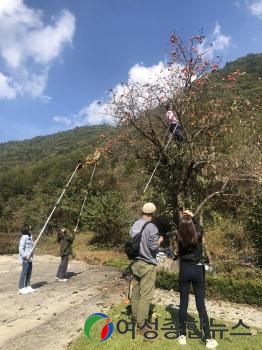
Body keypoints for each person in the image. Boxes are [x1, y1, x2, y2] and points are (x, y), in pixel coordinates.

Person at [176, 209, 218, 349]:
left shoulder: (180, 237)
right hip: (197, 270)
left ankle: (182, 335)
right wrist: (192, 216)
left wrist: (183, 219)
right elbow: (200, 227)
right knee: (201, 306)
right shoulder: (198, 235)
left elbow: (183, 228)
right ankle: (207, 338)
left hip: (185, 270)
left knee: (183, 304)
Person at [129, 202, 164, 338]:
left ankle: (136, 318)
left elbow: (132, 240)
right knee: (146, 295)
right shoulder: (152, 227)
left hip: (135, 263)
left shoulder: (135, 224)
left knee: (136, 293)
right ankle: (142, 326)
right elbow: (153, 248)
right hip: (147, 264)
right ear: (153, 214)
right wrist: (160, 240)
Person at [18, 224, 35, 294]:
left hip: (30, 258)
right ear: (26, 229)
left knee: (29, 272)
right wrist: (25, 256)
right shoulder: (24, 237)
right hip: (25, 259)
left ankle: (28, 286)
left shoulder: (30, 237)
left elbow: (30, 246)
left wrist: (33, 243)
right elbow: (21, 249)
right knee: (24, 272)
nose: (30, 229)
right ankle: (21, 287)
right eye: (29, 228)